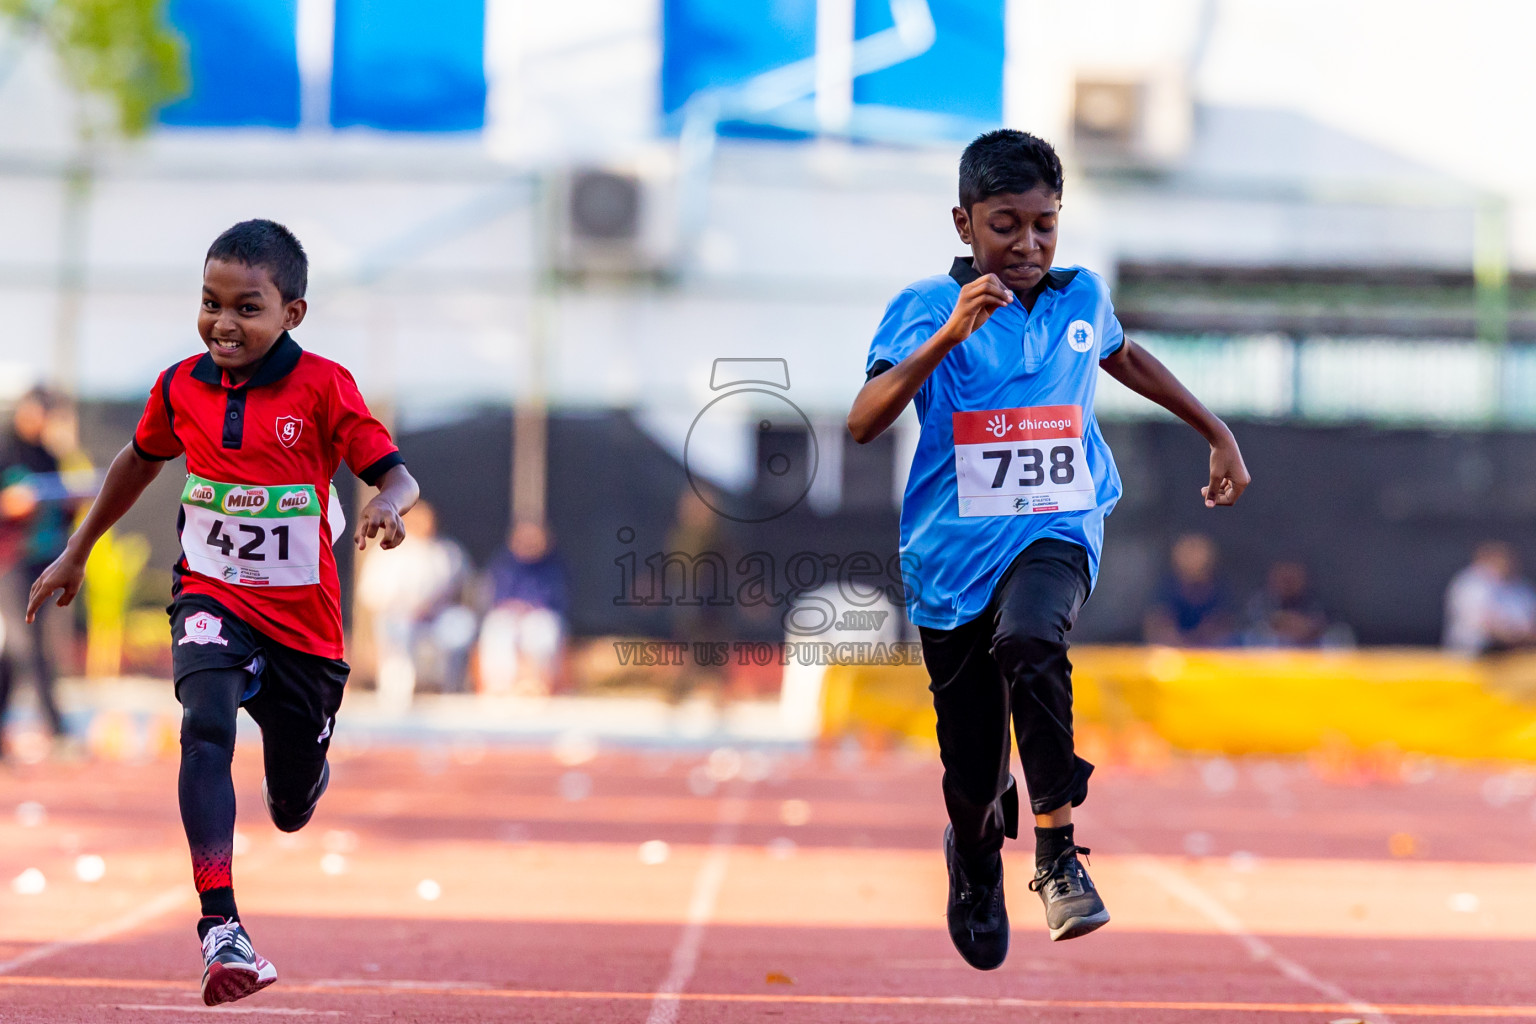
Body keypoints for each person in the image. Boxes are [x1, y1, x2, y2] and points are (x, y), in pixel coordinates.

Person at [846, 130, 1249, 967]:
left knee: (1032, 638)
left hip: (1057, 528)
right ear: (964, 224)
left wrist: (1215, 430)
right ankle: (975, 853)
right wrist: (947, 338)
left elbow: (1124, 355)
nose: (1027, 245)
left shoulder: (1080, 298)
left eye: (1045, 225)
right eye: (1005, 226)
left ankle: (1060, 854)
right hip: (952, 560)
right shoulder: (925, 306)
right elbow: (861, 420)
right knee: (969, 777)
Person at [26, 220, 419, 1006]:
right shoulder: (179, 386)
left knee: (292, 804)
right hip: (212, 592)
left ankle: (302, 772)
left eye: (247, 307)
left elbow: (396, 473)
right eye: (210, 303)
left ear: (291, 315)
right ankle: (221, 926)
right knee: (203, 723)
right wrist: (77, 550)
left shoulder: (325, 387)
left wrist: (386, 503)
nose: (223, 323)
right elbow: (136, 461)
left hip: (305, 626)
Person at [0, 389, 74, 756]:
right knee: (24, 644)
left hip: (43, 561)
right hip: (9, 560)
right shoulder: (4, 448)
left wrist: (73, 505)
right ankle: (56, 727)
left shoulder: (49, 456)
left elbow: (61, 512)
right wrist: (9, 504)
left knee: (17, 650)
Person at [357, 500, 471, 706]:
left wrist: (429, 608)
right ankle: (396, 696)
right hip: (400, 616)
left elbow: (462, 592)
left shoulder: (447, 551)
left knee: (461, 624)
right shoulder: (387, 550)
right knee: (399, 627)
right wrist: (403, 606)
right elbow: (370, 594)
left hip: (435, 617)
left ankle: (451, 691)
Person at [477, 520, 568, 696]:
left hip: (539, 616)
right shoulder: (503, 563)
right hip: (507, 615)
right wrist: (514, 609)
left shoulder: (553, 566)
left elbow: (557, 598)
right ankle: (499, 686)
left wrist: (529, 608)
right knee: (497, 628)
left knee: (542, 629)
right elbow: (493, 596)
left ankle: (536, 684)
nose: (529, 542)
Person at [1444, 542, 1536, 655]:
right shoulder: (1472, 583)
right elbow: (1483, 623)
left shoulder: (1520, 587)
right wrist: (1512, 635)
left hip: (1515, 652)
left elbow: (1530, 620)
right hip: (1474, 652)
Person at [1143, 533, 1235, 647]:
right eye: (1189, 549)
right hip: (1171, 657)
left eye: (1197, 548)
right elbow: (1157, 629)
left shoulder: (1220, 590)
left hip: (1211, 657)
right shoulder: (1165, 589)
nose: (1193, 556)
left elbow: (1223, 631)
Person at [1242, 560, 1330, 647]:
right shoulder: (1261, 600)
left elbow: (1318, 626)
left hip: (1304, 653)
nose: (1288, 583)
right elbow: (1255, 626)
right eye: (1284, 578)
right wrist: (1279, 622)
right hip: (1266, 655)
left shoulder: (1312, 602)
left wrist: (1301, 627)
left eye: (1292, 578)